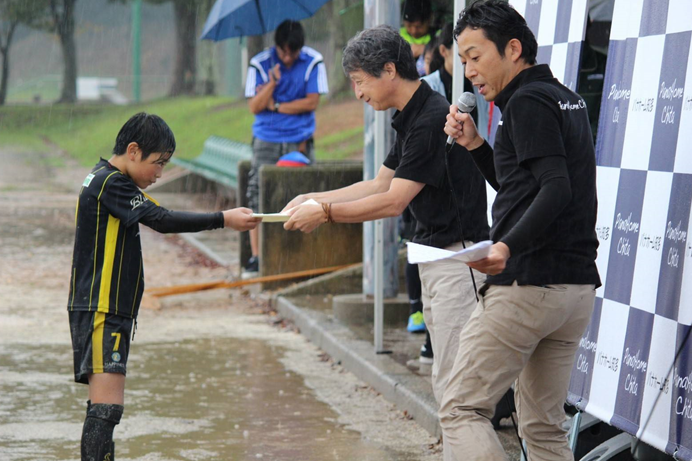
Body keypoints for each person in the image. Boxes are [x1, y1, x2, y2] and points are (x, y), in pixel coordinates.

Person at [282, 25, 490, 409]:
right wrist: (311, 196)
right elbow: (379, 183)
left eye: (361, 82)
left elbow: (393, 202)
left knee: (460, 394)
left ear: (390, 70)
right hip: (436, 260)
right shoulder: (414, 113)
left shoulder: (429, 119)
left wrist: (325, 213)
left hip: (458, 262)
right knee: (448, 385)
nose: (358, 93)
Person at [442, 1, 601, 459]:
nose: (468, 70)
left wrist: (507, 246)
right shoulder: (560, 96)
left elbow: (556, 190)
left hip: (528, 284)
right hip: (573, 290)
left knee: (461, 409)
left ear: (513, 49)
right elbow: (526, 186)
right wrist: (475, 145)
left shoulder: (527, 102)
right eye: (463, 58)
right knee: (544, 428)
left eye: (474, 56)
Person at [67, 113, 260, 461]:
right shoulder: (110, 183)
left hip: (111, 308)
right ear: (133, 150)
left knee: (104, 410)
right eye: (158, 164)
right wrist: (223, 219)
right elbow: (162, 219)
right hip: (101, 308)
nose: (160, 174)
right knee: (105, 410)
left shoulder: (107, 180)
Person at [244, 19, 329, 272]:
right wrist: (272, 83)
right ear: (276, 47)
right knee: (258, 194)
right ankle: (257, 257)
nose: (289, 57)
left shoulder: (313, 61)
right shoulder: (260, 63)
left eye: (294, 52)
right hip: (266, 140)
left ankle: (301, 255)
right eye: (284, 52)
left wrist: (277, 106)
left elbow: (312, 102)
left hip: (299, 140)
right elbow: (255, 107)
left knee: (302, 195)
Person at [400, 0, 434, 76]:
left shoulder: (437, 35)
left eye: (419, 27)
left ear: (429, 20)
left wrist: (426, 49)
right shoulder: (398, 34)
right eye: (409, 26)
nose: (414, 31)